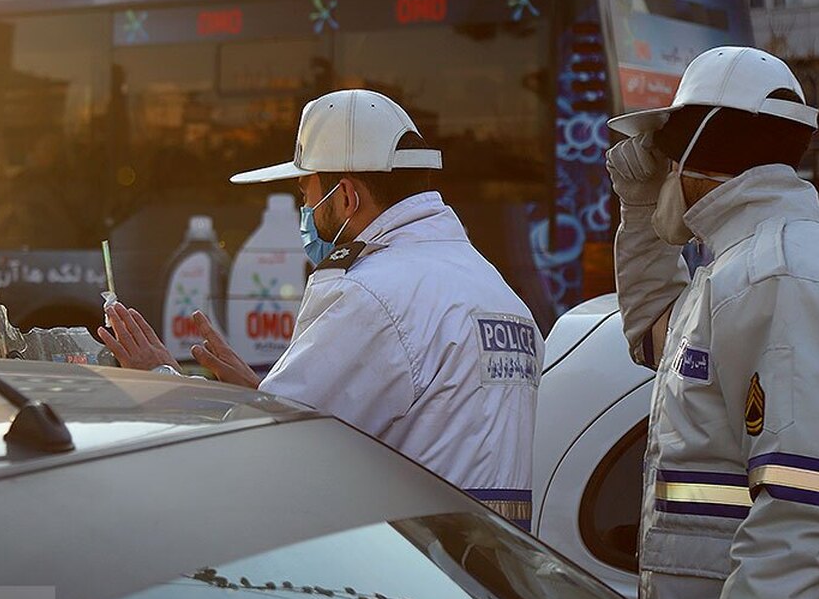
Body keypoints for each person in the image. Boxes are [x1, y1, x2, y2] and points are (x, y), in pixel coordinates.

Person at [98, 89, 543, 526]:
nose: (306, 210)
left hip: (410, 563)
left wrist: (161, 382)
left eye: (306, 193)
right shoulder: (499, 294)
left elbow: (277, 453)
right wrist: (263, 395)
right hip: (493, 565)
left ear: (346, 197)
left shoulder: (370, 293)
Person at [606, 46, 819, 599]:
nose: (665, 173)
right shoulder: (740, 268)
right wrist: (639, 212)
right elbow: (651, 334)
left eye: (670, 158)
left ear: (699, 150)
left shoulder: (777, 276)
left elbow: (798, 503)